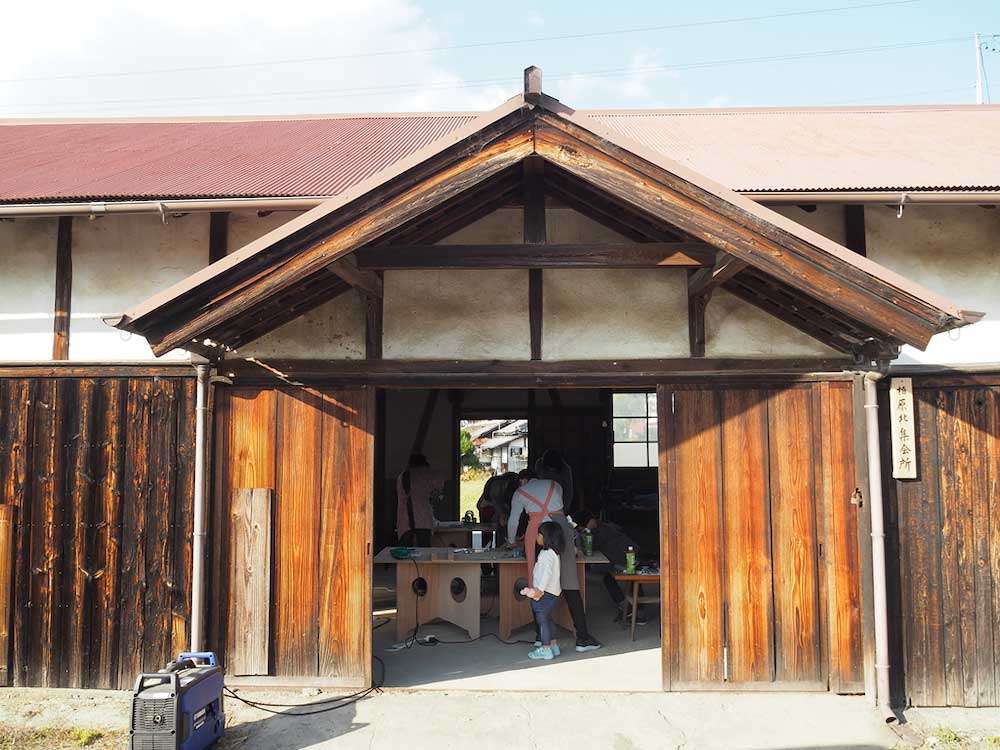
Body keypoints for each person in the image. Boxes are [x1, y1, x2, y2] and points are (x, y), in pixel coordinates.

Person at [508, 470, 602, 652]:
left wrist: (512, 542)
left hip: (538, 533)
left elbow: (513, 520)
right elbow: (561, 508)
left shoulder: (520, 492)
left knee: (536, 582)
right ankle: (582, 638)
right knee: (570, 583)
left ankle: (539, 636)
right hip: (561, 531)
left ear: (523, 481)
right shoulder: (554, 485)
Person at [576, 511, 647, 625]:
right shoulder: (605, 527)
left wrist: (585, 531)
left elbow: (590, 547)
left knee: (625, 578)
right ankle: (629, 608)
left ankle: (635, 611)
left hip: (630, 557)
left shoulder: (602, 530)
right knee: (611, 578)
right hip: (628, 556)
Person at [520, 521, 564, 660]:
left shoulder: (545, 554)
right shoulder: (554, 553)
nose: (537, 537)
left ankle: (545, 649)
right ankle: (553, 645)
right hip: (553, 593)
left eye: (539, 534)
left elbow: (546, 574)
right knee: (549, 620)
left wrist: (539, 590)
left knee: (542, 622)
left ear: (547, 537)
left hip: (544, 594)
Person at [395, 454, 441, 547]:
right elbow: (436, 494)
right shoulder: (427, 475)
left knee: (406, 556)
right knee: (424, 555)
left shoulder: (402, 476)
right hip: (424, 521)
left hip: (405, 522)